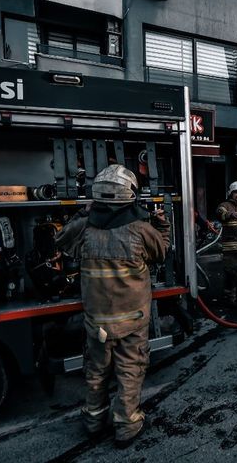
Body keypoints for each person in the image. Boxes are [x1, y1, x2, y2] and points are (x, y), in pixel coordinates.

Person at [55, 164, 170, 449]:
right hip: (132, 320)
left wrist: (85, 212)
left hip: (97, 322)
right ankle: (127, 425)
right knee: (129, 370)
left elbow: (61, 240)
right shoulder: (141, 229)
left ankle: (93, 420)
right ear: (129, 194)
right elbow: (162, 252)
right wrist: (163, 224)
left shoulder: (85, 228)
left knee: (96, 371)